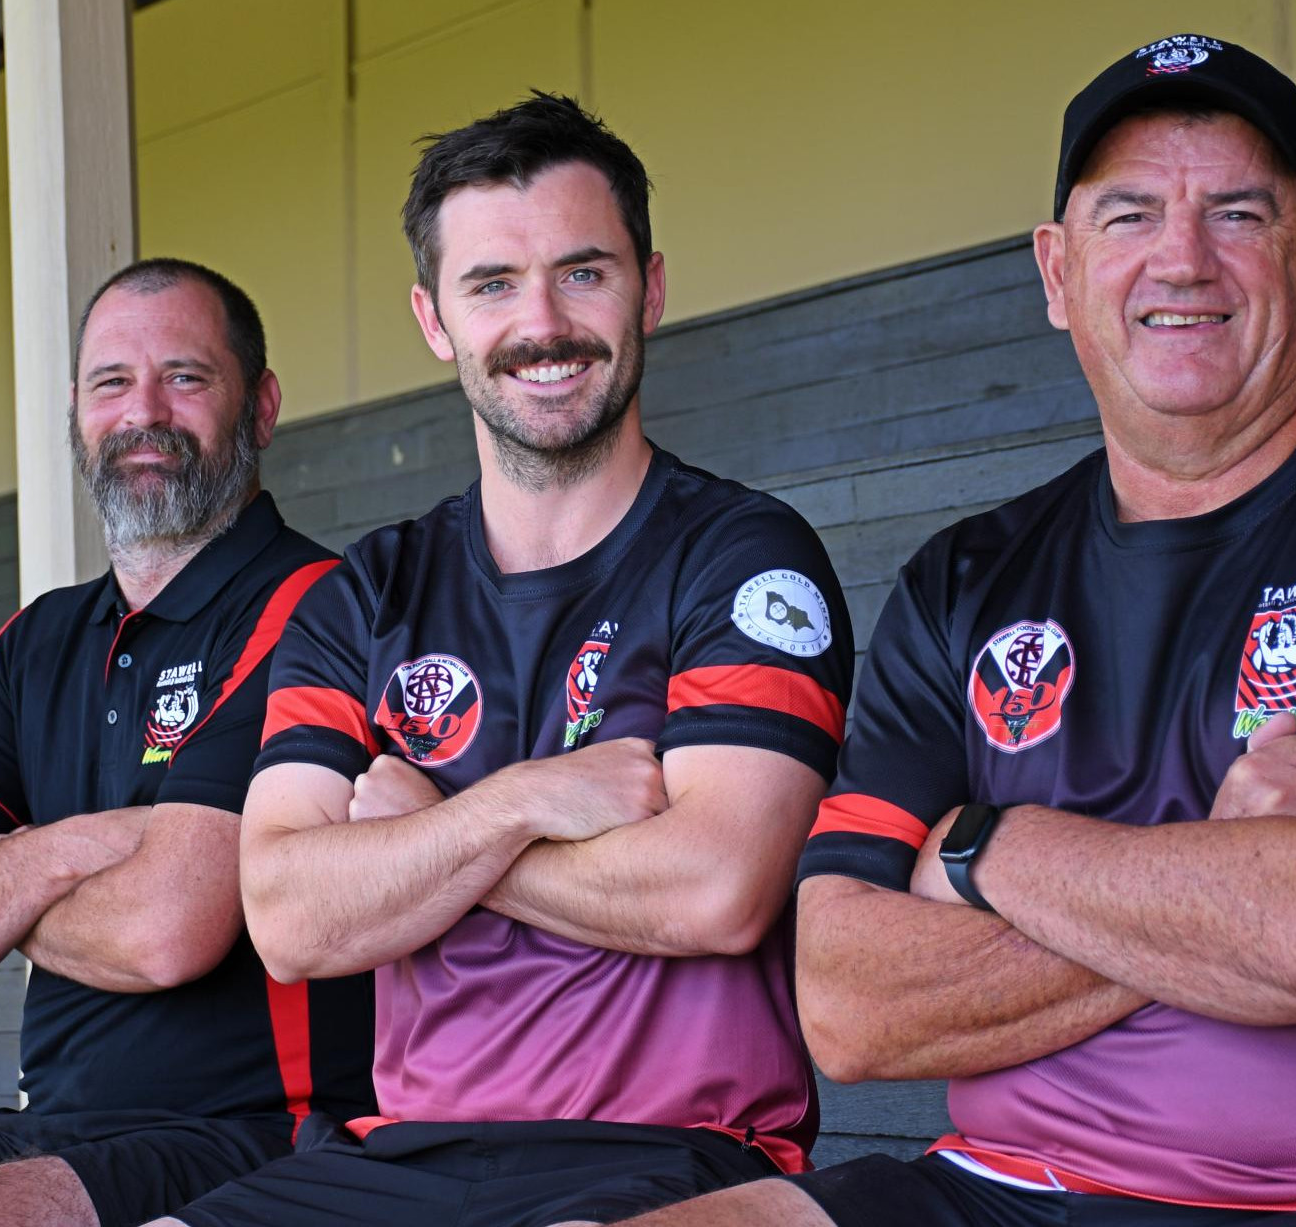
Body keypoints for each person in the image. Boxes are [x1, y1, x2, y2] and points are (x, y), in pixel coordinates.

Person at [611, 36, 1296, 1227]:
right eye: (1129, 213)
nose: (1182, 259)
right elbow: (846, 1005)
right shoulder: (966, 578)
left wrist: (983, 850)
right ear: (1055, 272)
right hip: (999, 1189)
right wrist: (1223, 875)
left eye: (1238, 212)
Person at [153, 94, 853, 1227]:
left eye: (582, 272)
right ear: (434, 319)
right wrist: (522, 802)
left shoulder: (740, 556)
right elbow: (288, 918)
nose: (542, 322)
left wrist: (425, 835)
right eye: (492, 285)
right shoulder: (361, 596)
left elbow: (718, 889)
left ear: (650, 288)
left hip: (671, 1155)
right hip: (396, 1157)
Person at [0, 259, 374, 1227]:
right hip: (51, 1124)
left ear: (260, 406)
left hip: (258, 1130)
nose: (144, 412)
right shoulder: (36, 639)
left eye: (186, 376)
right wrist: (83, 846)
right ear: (78, 412)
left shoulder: (317, 608)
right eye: (110, 382)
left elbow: (163, 931)